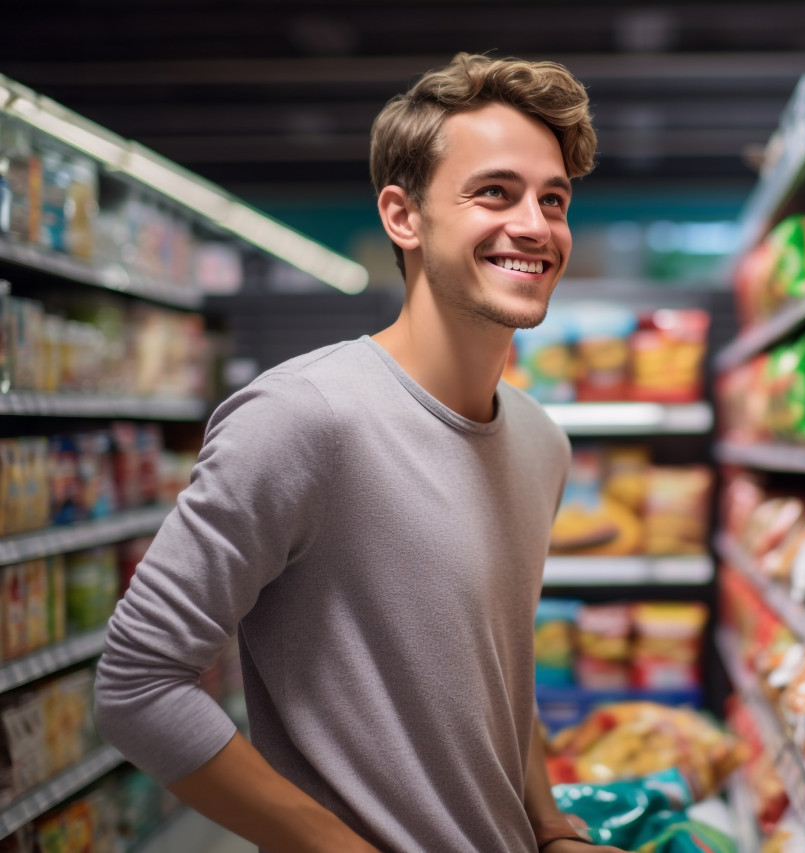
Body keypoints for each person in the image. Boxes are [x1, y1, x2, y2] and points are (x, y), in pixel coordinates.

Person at [95, 53, 627, 853]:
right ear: (403, 217)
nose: (535, 225)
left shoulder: (539, 443)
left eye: (553, 200)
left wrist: (552, 827)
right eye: (495, 192)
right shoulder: (302, 418)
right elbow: (136, 684)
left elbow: (498, 678)